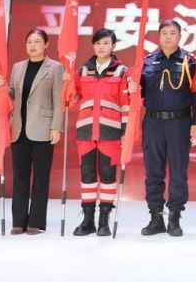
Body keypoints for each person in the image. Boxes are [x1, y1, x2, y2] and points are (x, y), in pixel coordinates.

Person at [139, 19, 196, 237]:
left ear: (180, 36)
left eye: (172, 33)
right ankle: (156, 217)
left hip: (179, 123)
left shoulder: (189, 61)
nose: (168, 37)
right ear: (159, 36)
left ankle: (174, 216)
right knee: (153, 171)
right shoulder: (147, 62)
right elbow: (138, 92)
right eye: (164, 32)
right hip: (153, 122)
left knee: (178, 171)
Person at [70, 28, 133, 237]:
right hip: (86, 131)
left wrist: (125, 132)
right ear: (93, 46)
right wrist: (67, 84)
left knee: (107, 175)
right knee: (87, 175)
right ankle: (88, 220)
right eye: (97, 43)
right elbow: (73, 98)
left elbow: (125, 104)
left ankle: (104, 220)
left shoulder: (122, 72)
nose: (101, 47)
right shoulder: (83, 71)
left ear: (113, 46)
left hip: (110, 131)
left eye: (106, 43)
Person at [8, 28, 65, 235]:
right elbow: (11, 95)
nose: (32, 46)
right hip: (18, 128)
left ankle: (36, 222)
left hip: (43, 128)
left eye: (37, 42)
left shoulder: (55, 67)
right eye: (29, 42)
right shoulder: (17, 67)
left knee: (41, 178)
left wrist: (56, 127)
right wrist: (1, 88)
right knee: (20, 177)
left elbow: (58, 100)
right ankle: (18, 221)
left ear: (46, 44)